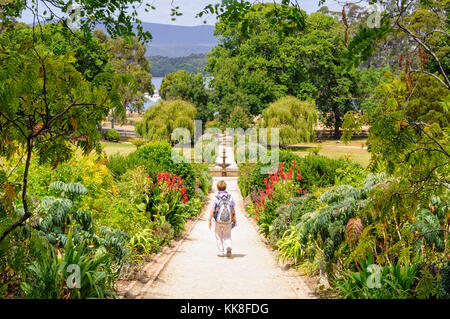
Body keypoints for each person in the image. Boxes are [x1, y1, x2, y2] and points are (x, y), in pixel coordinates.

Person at [209, 180, 236, 257]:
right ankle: (228, 246)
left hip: (217, 220)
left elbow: (212, 210)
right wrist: (234, 219)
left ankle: (221, 252)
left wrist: (209, 220)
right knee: (227, 234)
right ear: (225, 187)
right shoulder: (230, 197)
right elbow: (233, 209)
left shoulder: (216, 197)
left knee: (218, 235)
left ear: (217, 188)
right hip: (228, 220)